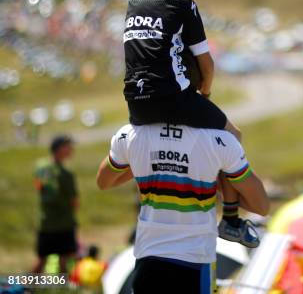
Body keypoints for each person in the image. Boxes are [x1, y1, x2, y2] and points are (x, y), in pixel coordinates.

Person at [123, 0, 249, 244]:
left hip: (136, 104)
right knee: (233, 136)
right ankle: (231, 219)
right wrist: (203, 95)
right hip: (173, 98)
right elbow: (206, 65)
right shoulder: (183, 5)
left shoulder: (133, 2)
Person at [96, 123, 269, 294]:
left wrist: (152, 162)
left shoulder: (131, 134)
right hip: (195, 260)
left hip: (148, 257)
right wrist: (214, 179)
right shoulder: (220, 139)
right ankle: (230, 219)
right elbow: (261, 206)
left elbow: (103, 182)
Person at [32, 135, 79, 274]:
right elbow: (74, 201)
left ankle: (26, 288)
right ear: (59, 149)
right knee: (64, 260)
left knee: (41, 259)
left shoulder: (40, 167)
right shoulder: (66, 174)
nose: (71, 149)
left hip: (45, 222)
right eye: (68, 146)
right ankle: (60, 288)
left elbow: (38, 187)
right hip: (63, 223)